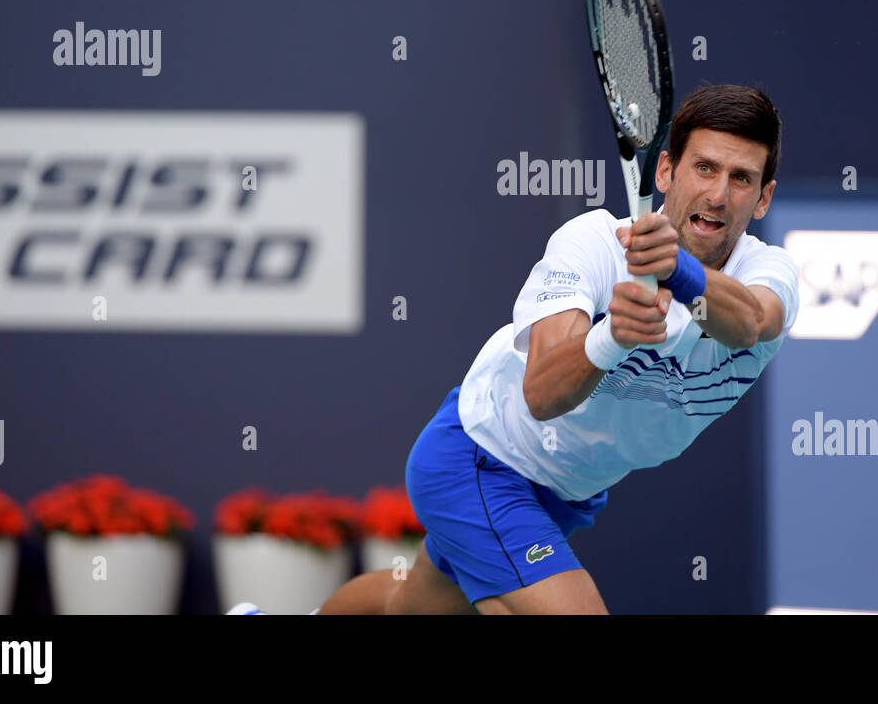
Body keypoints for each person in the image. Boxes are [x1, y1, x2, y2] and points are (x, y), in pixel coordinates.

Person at [316, 83, 799, 614]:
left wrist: (677, 271)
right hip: (481, 455)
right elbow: (542, 393)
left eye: (741, 178)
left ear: (764, 198)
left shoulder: (768, 274)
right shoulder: (592, 242)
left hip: (566, 492)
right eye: (704, 168)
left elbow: (748, 323)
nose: (718, 194)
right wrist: (611, 335)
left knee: (406, 609)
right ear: (664, 171)